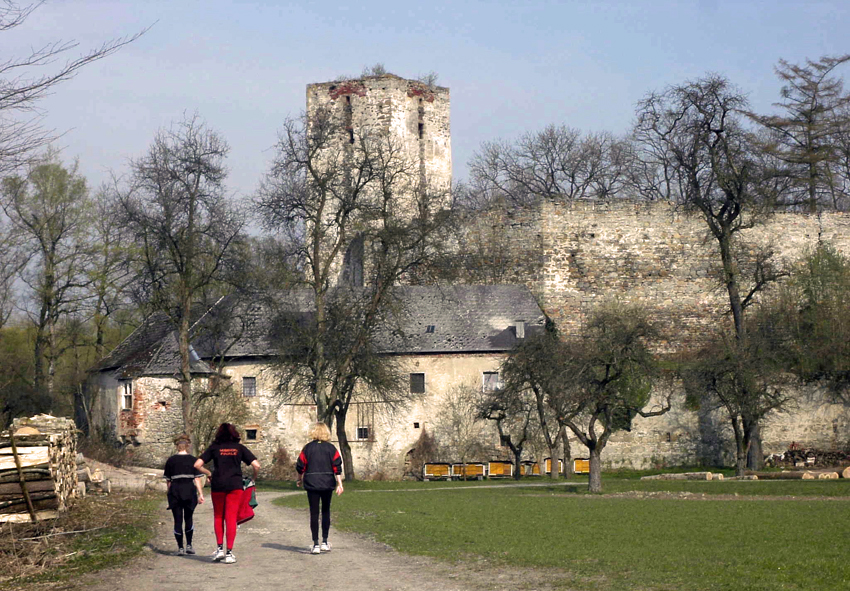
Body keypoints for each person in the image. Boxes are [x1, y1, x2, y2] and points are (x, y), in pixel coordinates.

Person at [194, 423, 260, 564]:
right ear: (234, 434)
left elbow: (197, 465)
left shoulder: (214, 447)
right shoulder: (239, 448)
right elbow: (256, 465)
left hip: (218, 484)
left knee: (218, 516)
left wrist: (208, 473)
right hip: (235, 485)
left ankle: (219, 549)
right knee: (231, 518)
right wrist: (254, 478)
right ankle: (229, 553)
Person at [295, 422, 344, 555]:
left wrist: (299, 479)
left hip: (311, 482)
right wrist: (340, 484)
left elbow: (300, 465)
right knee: (326, 511)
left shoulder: (307, 448)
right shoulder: (331, 448)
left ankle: (315, 543)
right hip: (327, 482)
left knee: (314, 513)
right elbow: (337, 467)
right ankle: (325, 542)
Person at [164, 434, 205, 556]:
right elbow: (197, 479)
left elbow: (168, 481)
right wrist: (200, 494)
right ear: (187, 446)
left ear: (177, 446)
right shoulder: (193, 460)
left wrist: (170, 494)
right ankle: (189, 545)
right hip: (189, 490)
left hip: (175, 490)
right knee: (188, 518)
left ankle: (180, 548)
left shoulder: (171, 460)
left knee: (177, 520)